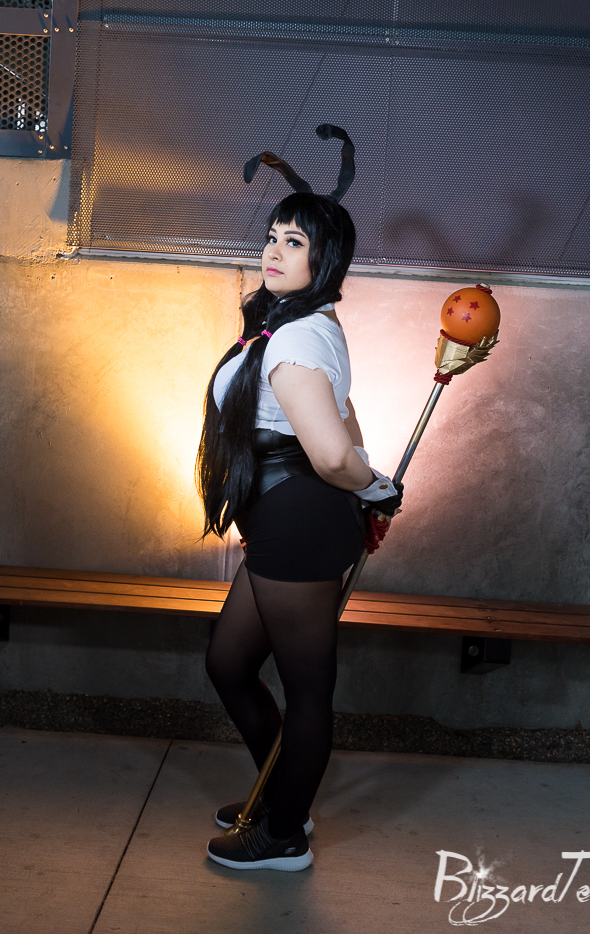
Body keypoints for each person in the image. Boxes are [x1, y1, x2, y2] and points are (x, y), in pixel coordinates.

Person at [196, 161, 402, 872]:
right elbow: (343, 412)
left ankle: (284, 834)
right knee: (228, 664)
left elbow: (331, 450)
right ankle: (281, 795)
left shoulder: (297, 336)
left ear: (326, 259)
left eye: (294, 242)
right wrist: (365, 480)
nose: (274, 252)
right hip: (280, 517)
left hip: (298, 519)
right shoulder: (299, 322)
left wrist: (371, 486)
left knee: (307, 687)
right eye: (273, 236)